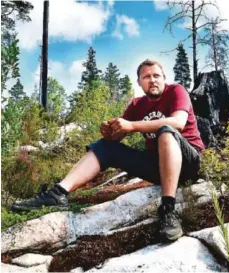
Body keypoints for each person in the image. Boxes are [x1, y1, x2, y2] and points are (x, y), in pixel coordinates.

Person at [11, 59, 205, 242]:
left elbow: (178, 123)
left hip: (189, 163)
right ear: (139, 82)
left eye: (156, 75)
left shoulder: (176, 91)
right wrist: (109, 133)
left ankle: (168, 210)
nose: (152, 80)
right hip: (159, 168)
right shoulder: (137, 105)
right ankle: (58, 193)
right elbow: (118, 136)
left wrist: (132, 126)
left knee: (166, 131)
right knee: (105, 147)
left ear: (164, 78)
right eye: (146, 77)